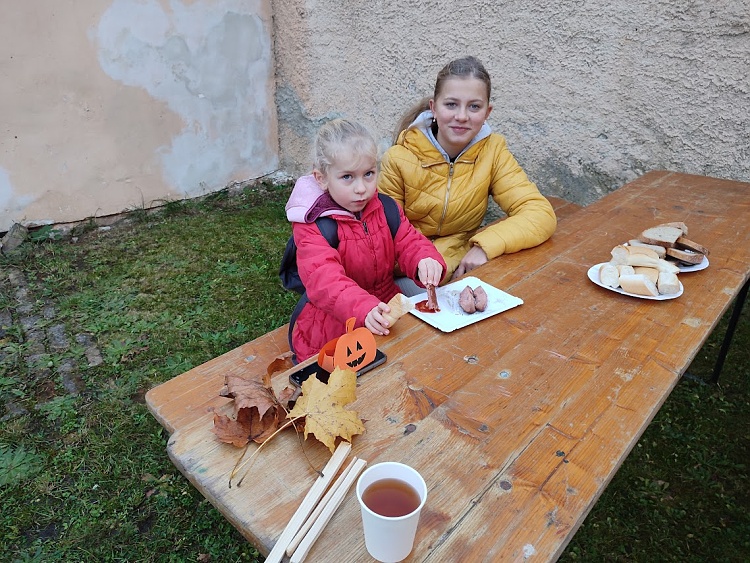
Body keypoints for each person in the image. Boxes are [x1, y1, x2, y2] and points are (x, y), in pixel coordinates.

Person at [378, 56, 557, 293]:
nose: (462, 116)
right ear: (434, 107)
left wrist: (484, 246)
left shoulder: (493, 152)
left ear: (487, 112)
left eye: (474, 106)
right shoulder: (398, 158)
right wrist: (442, 261)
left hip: (461, 267)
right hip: (409, 273)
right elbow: (385, 239)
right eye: (451, 104)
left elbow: (539, 213)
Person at [286, 118, 446, 363]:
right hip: (335, 328)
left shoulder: (386, 208)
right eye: (347, 177)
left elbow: (409, 240)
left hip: (385, 312)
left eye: (368, 174)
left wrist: (425, 259)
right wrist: (363, 308)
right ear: (322, 178)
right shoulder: (314, 225)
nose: (361, 188)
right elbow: (325, 281)